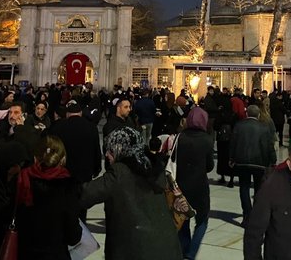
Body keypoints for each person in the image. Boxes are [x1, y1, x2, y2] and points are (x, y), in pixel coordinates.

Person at [81, 126, 182, 260]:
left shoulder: (119, 173)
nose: (106, 155)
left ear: (120, 149)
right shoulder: (155, 168)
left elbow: (84, 195)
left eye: (110, 150)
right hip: (168, 247)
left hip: (136, 250)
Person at [15, 135, 82, 259]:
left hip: (25, 252)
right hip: (55, 253)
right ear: (62, 159)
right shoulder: (67, 185)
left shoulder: (21, 179)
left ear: (35, 158)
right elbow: (73, 235)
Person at [175, 106, 214, 260]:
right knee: (202, 220)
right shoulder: (207, 139)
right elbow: (210, 166)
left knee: (183, 220)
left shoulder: (180, 138)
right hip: (199, 186)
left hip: (181, 185)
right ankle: (191, 254)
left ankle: (185, 250)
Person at [230, 104, 277, 221]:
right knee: (258, 188)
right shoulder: (264, 127)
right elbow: (269, 145)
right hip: (259, 162)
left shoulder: (239, 126)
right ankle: (256, 212)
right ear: (259, 114)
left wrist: (231, 158)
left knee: (244, 187)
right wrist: (273, 160)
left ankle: (247, 213)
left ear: (247, 114)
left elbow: (233, 143)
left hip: (242, 162)